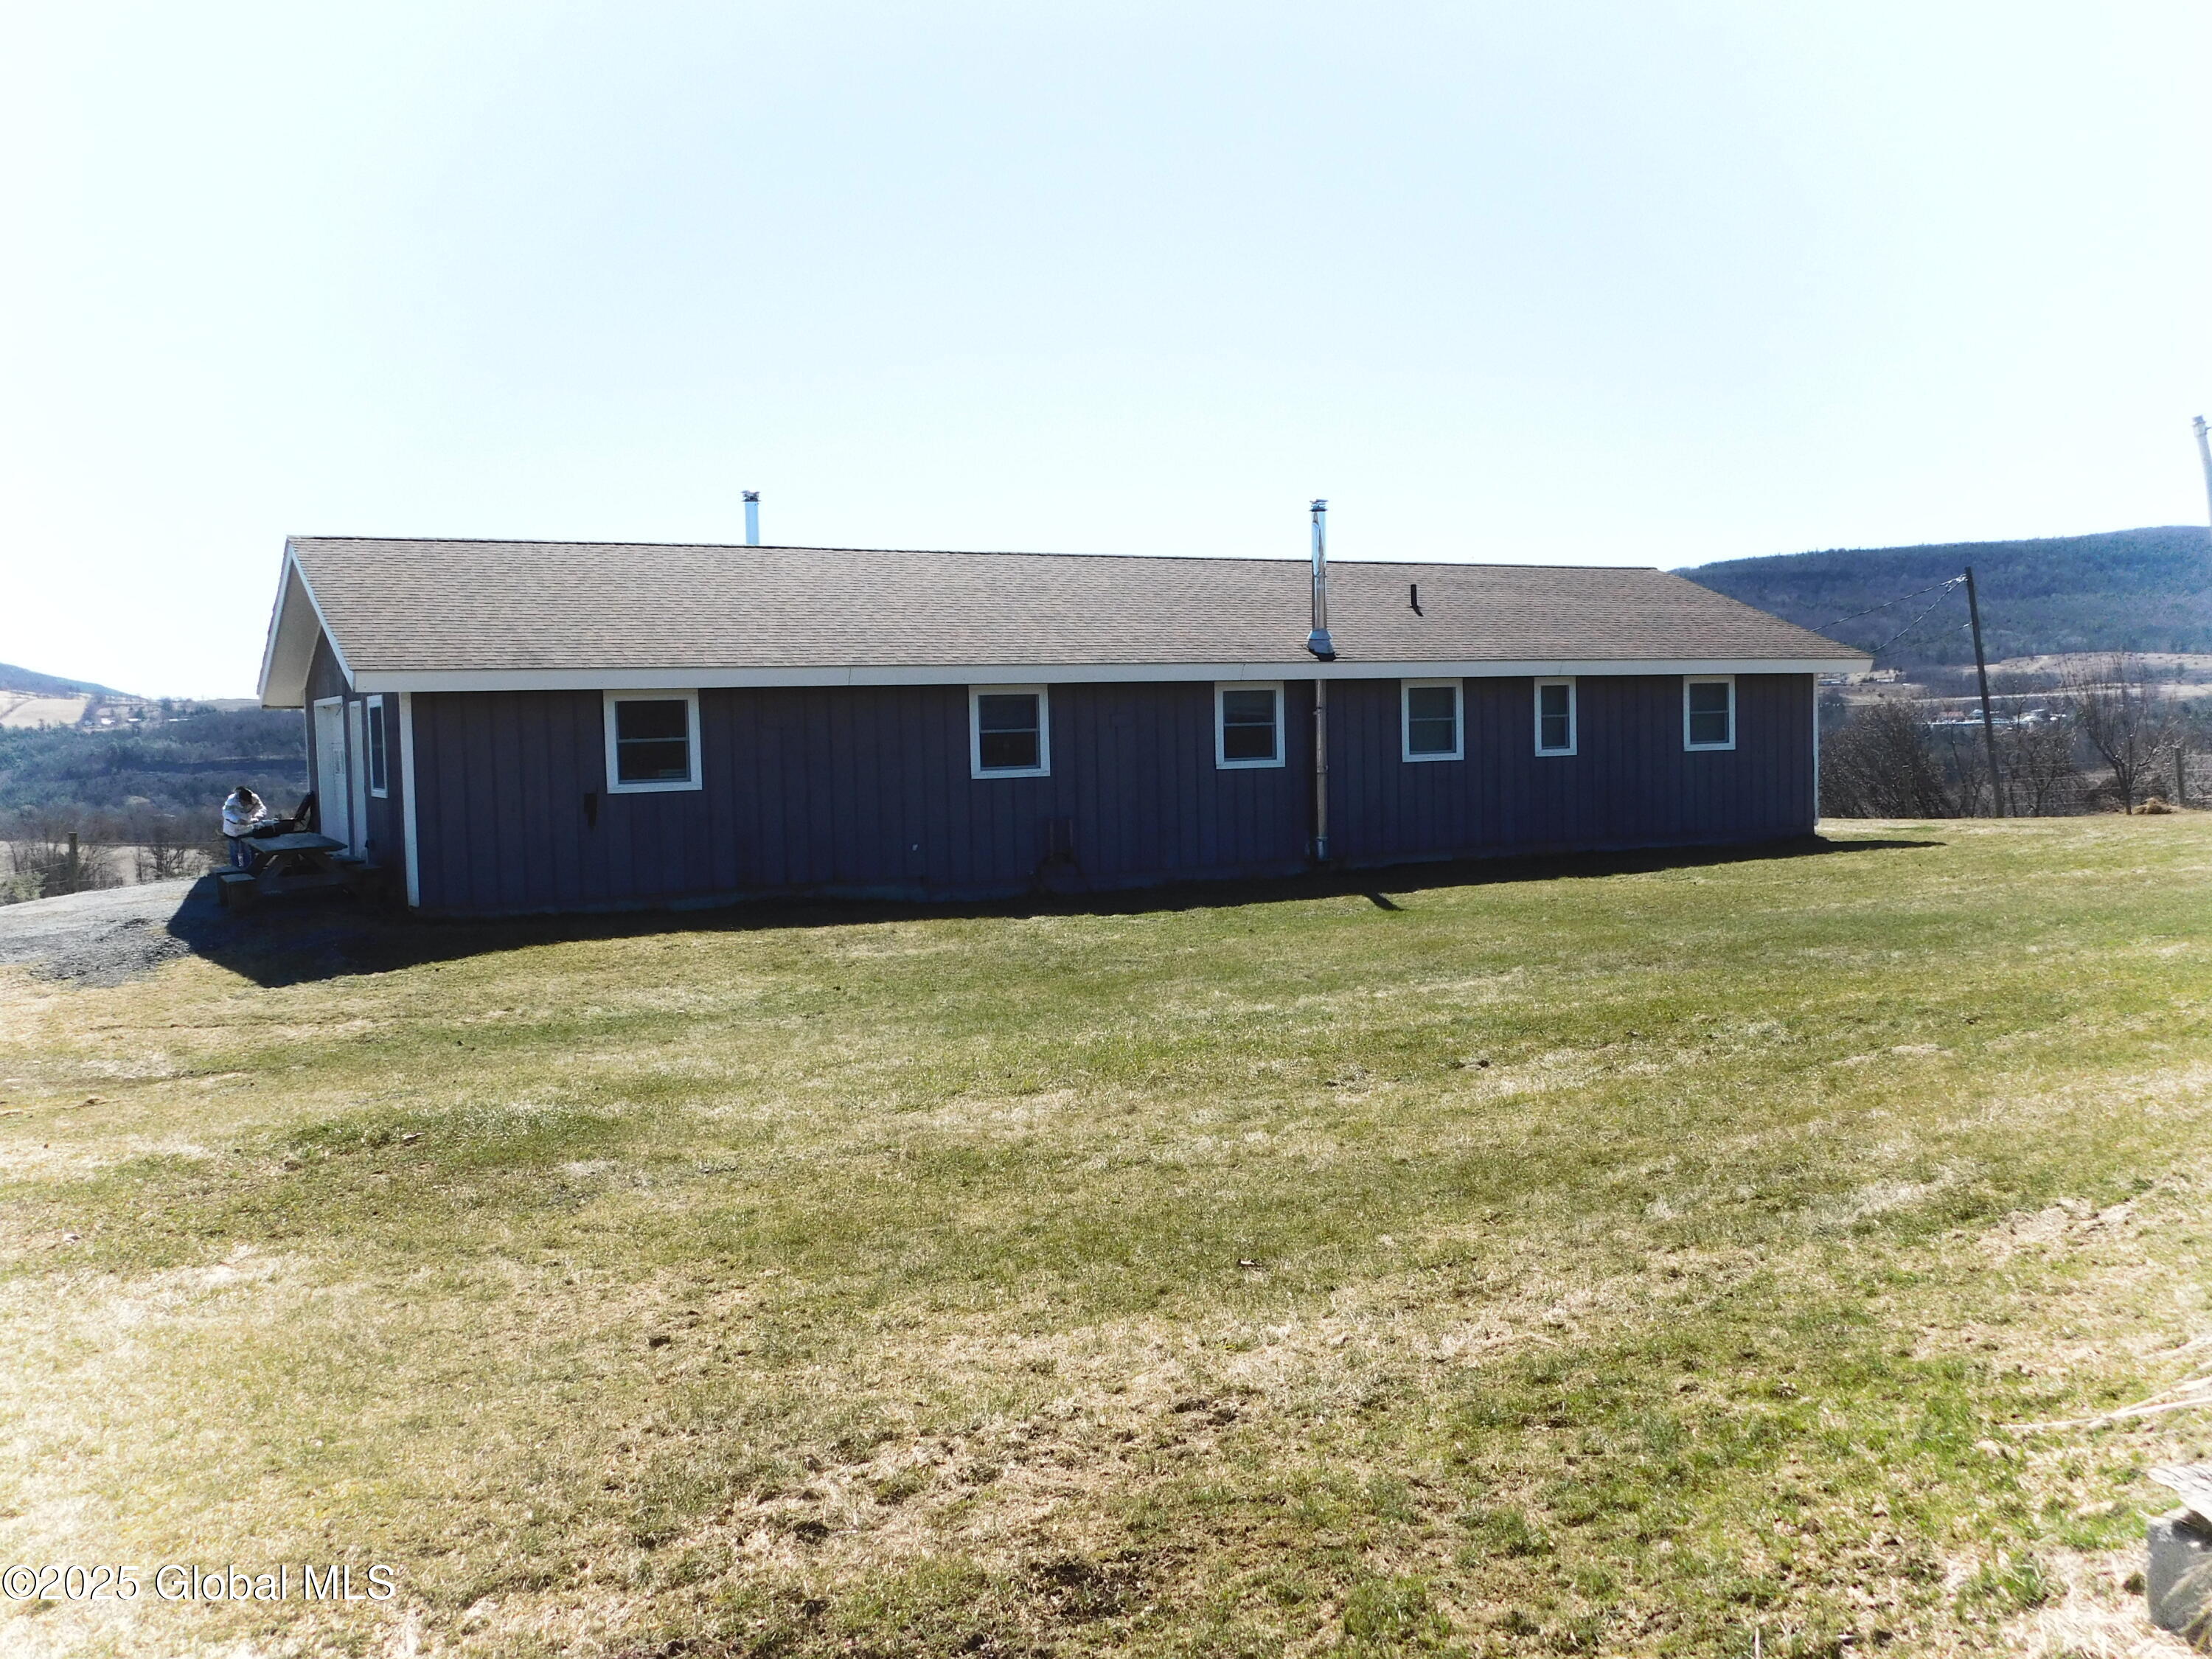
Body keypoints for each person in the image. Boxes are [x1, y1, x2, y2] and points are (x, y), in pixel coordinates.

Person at [221, 785, 271, 870]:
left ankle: (249, 869)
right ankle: (235, 870)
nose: (245, 805)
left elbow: (262, 809)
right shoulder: (231, 800)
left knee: (247, 850)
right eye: (244, 802)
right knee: (235, 851)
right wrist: (237, 820)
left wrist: (257, 817)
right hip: (233, 829)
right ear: (240, 800)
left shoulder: (255, 798)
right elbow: (226, 813)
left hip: (247, 828)